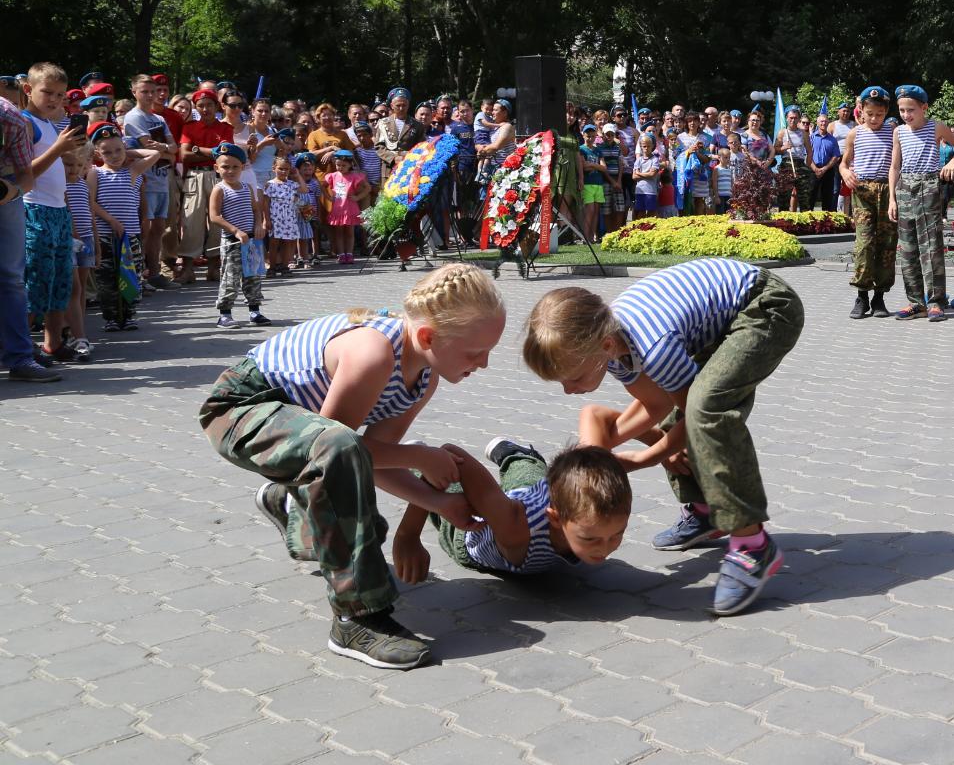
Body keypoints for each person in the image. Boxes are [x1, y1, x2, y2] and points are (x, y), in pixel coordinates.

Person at [202, 263, 506, 669]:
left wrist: (439, 503)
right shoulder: (373, 352)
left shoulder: (422, 377)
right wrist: (419, 457)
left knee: (343, 453)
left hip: (299, 428)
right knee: (338, 448)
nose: (484, 364)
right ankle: (356, 619)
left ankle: (288, 501)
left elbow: (374, 457)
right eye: (475, 353)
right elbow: (338, 447)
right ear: (429, 336)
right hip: (239, 409)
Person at [524, 258, 803, 616]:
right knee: (682, 404)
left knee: (707, 411)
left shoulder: (652, 349)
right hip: (722, 320)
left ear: (605, 346)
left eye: (574, 377)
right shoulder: (611, 346)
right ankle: (705, 509)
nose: (568, 389)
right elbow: (654, 403)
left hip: (765, 307)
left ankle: (751, 544)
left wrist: (649, 456)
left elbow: (692, 417)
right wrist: (601, 452)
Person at [392, 440, 633, 581]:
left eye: (617, 534)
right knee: (448, 491)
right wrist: (408, 537)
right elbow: (452, 457)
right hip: (473, 528)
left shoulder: (584, 510)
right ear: (556, 518)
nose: (605, 548)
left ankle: (514, 454)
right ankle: (416, 456)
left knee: (529, 472)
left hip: (526, 494)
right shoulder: (516, 530)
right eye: (590, 538)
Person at [20, 63, 85, 365]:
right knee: (36, 280)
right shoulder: (24, 123)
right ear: (28, 90)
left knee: (61, 281)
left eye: (59, 95)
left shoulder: (50, 125)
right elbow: (24, 174)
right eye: (47, 92)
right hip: (34, 209)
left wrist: (68, 151)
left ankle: (53, 342)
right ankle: (21, 346)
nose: (54, 99)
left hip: (58, 212)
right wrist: (58, 149)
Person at [887, 85, 954, 321]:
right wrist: (892, 198)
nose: (906, 115)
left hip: (929, 187)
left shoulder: (935, 126)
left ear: (924, 107)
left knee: (931, 248)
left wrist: (951, 163)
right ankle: (916, 302)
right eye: (902, 110)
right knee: (908, 249)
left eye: (911, 110)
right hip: (905, 189)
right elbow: (895, 166)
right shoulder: (899, 131)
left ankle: (936, 301)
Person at [0, 72, 52, 381]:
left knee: (10, 278)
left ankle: (20, 358)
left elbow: (27, 176)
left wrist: (12, 191)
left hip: (5, 196)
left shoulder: (12, 120)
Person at [88, 124, 160, 333]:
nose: (114, 156)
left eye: (118, 150)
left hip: (130, 236)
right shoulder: (96, 174)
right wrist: (110, 219)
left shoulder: (133, 171)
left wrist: (127, 151)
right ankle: (111, 317)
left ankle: (128, 315)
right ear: (97, 153)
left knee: (130, 275)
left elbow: (155, 153)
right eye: (107, 152)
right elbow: (90, 202)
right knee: (108, 279)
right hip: (105, 235)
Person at [840, 86, 896, 318]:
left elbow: (897, 164)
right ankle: (862, 295)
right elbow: (844, 163)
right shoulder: (855, 133)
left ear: (886, 112)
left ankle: (880, 298)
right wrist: (844, 173)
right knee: (864, 243)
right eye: (870, 114)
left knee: (887, 244)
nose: (874, 119)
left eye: (880, 114)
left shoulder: (893, 131)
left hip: (886, 190)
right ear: (861, 110)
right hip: (863, 192)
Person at [123, 73, 178, 290]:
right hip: (145, 181)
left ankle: (155, 273)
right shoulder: (134, 117)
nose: (149, 96)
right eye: (144, 91)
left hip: (162, 180)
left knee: (159, 229)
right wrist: (166, 150)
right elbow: (147, 147)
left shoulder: (159, 119)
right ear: (134, 92)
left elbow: (173, 150)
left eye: (152, 91)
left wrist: (163, 149)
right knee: (143, 230)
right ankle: (140, 275)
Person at [206, 143, 269, 328]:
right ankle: (225, 314)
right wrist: (235, 230)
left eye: (235, 167)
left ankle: (254, 311)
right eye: (225, 167)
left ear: (243, 167)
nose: (230, 171)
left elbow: (256, 210)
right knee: (230, 278)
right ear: (216, 168)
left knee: (253, 277)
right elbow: (214, 216)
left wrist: (259, 225)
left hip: (250, 241)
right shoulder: (220, 189)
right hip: (232, 241)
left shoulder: (247, 187)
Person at [177, 87, 234, 284]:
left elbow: (225, 154)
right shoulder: (190, 127)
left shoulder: (225, 128)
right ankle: (188, 269)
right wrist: (212, 152)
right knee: (191, 221)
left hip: (218, 177)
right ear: (196, 107)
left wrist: (197, 149)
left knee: (218, 222)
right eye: (200, 106)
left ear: (216, 106)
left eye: (209, 105)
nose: (205, 109)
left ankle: (213, 268)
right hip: (195, 176)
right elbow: (185, 155)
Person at [60, 144, 95, 361]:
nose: (74, 169)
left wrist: (96, 245)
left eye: (80, 165)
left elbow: (90, 214)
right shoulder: (61, 186)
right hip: (72, 240)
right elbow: (67, 214)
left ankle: (78, 329)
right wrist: (76, 236)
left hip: (87, 239)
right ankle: (67, 329)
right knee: (73, 287)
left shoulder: (83, 185)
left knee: (81, 288)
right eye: (69, 164)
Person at [325, 149, 370, 264]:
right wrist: (328, 197)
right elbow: (322, 186)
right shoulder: (333, 176)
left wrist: (357, 197)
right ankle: (341, 254)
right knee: (339, 232)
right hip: (338, 208)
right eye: (338, 165)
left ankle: (349, 254)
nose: (340, 167)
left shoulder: (355, 176)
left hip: (350, 207)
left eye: (343, 165)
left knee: (350, 232)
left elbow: (367, 188)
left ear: (350, 165)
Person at [374, 88, 425, 181]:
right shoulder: (383, 123)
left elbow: (421, 147)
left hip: (409, 168)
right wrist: (393, 158)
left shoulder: (417, 125)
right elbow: (378, 146)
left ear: (408, 105)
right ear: (392, 105)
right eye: (398, 105)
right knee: (387, 195)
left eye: (404, 105)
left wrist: (408, 158)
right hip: (388, 169)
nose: (401, 108)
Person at [265, 154, 299, 277]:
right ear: (274, 168)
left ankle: (285, 266)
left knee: (287, 242)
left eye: (287, 169)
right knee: (274, 243)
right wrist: (266, 219)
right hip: (275, 216)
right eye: (281, 168)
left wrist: (297, 175)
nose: (284, 171)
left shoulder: (292, 184)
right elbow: (266, 203)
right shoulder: (270, 184)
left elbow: (304, 190)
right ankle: (272, 267)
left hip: (289, 216)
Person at [293, 153, 321, 268]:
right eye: (304, 168)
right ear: (298, 170)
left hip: (311, 213)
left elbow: (318, 199)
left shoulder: (315, 183)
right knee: (298, 236)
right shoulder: (295, 184)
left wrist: (318, 214)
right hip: (297, 215)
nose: (307, 171)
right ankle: (298, 257)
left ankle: (314, 255)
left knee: (311, 234)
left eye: (310, 168)